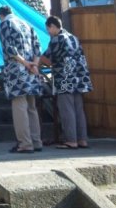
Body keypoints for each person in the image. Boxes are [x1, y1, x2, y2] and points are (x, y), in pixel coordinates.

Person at [39, 15, 92, 149]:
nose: (48, 32)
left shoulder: (57, 39)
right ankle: (82, 139)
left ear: (52, 26)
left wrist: (36, 60)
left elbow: (48, 59)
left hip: (65, 79)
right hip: (79, 78)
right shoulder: (73, 37)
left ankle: (71, 140)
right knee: (79, 110)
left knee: (67, 110)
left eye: (48, 29)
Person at [0, 5, 43, 153]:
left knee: (20, 106)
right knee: (32, 106)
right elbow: (38, 47)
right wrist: (34, 65)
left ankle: (25, 144)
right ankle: (37, 141)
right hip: (32, 69)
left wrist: (24, 63)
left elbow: (9, 49)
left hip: (17, 69)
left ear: (1, 15)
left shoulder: (6, 24)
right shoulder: (27, 25)